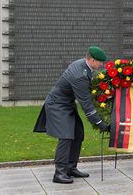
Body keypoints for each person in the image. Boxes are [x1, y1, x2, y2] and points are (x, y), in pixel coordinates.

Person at [33, 47, 109, 184]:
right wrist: (99, 123)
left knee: (78, 133)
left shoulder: (83, 65)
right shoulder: (79, 75)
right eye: (100, 62)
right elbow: (86, 103)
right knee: (66, 136)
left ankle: (70, 168)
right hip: (57, 105)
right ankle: (59, 173)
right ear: (91, 60)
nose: (101, 65)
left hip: (66, 104)